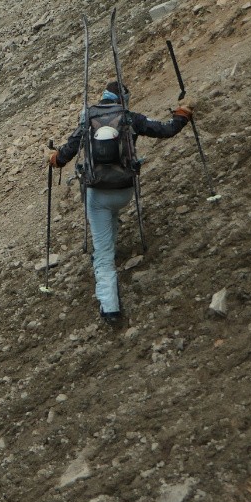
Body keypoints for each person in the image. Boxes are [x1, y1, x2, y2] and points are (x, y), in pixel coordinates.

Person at [49, 81, 191, 325]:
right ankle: (110, 245)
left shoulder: (87, 118)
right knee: (112, 213)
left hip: (98, 192)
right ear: (123, 98)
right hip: (124, 190)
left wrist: (53, 159)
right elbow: (165, 130)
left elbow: (64, 155)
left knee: (102, 254)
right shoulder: (129, 118)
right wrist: (182, 115)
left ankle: (110, 308)